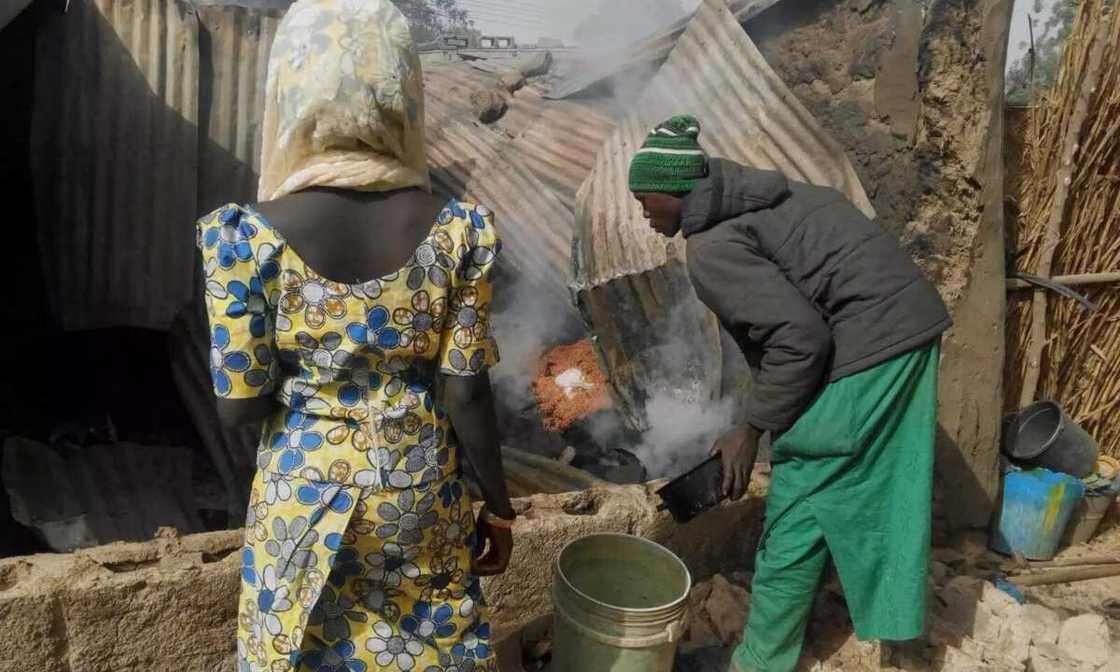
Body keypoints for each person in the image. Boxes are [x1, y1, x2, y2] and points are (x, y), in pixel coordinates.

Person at [196, 1, 514, 670]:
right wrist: (500, 506)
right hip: (417, 484)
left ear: (290, 93)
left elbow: (236, 409)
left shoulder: (241, 235)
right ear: (402, 93)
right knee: (419, 649)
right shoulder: (462, 230)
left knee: (297, 648)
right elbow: (465, 392)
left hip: (302, 488)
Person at [629, 115, 951, 672]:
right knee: (836, 484)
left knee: (801, 484)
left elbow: (801, 340)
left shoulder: (711, 247)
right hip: (904, 331)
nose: (642, 213)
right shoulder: (771, 196)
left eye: (644, 200)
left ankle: (760, 661)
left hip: (873, 346)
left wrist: (751, 427)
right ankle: (839, 630)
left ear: (673, 191)